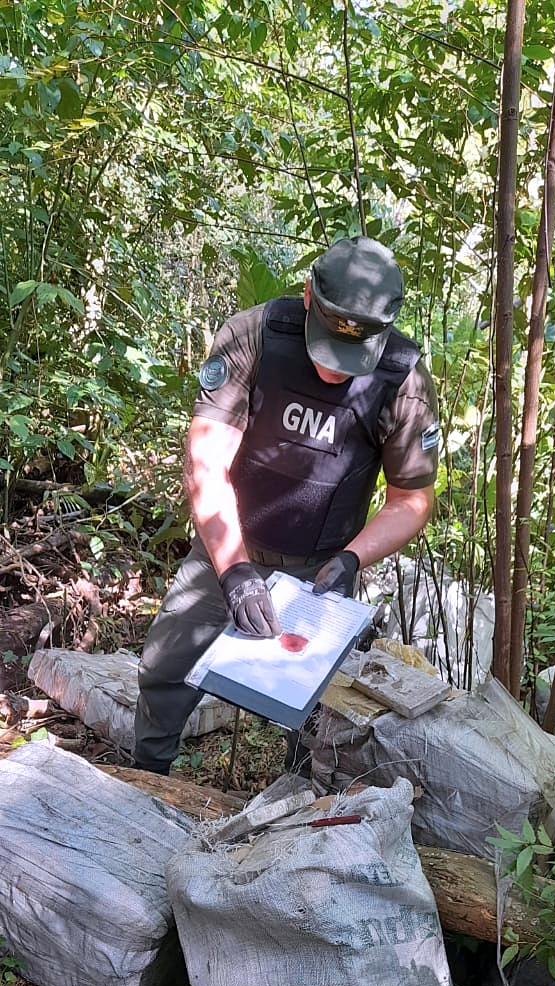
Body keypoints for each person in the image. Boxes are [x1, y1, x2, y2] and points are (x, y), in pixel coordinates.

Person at [134, 235, 440, 775]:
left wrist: (352, 560)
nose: (335, 372)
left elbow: (411, 498)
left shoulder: (402, 381)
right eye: (328, 347)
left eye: (353, 357)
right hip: (230, 542)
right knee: (164, 667)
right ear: (307, 297)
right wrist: (234, 572)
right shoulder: (254, 336)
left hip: (322, 562)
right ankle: (144, 779)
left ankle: (295, 807)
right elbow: (206, 462)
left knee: (316, 706)